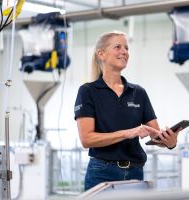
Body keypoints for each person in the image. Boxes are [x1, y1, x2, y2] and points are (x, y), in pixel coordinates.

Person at [74, 30, 180, 191]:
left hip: (135, 172)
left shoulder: (138, 92)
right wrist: (128, 133)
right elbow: (87, 139)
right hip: (102, 172)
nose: (124, 52)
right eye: (118, 47)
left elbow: (156, 135)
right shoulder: (88, 91)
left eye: (126, 48)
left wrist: (169, 142)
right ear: (101, 54)